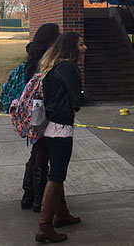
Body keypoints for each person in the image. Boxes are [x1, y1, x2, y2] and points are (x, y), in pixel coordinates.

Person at [35, 32, 87, 244]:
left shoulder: (54, 66)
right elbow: (78, 98)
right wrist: (82, 97)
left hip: (50, 126)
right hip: (61, 128)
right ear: (71, 47)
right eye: (81, 44)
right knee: (56, 175)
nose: (85, 48)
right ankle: (44, 227)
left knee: (58, 171)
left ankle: (62, 214)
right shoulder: (68, 67)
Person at [21, 23, 60, 213]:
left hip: (32, 109)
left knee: (37, 148)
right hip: (45, 110)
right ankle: (38, 197)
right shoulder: (49, 58)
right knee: (43, 149)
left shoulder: (31, 56)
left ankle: (28, 193)